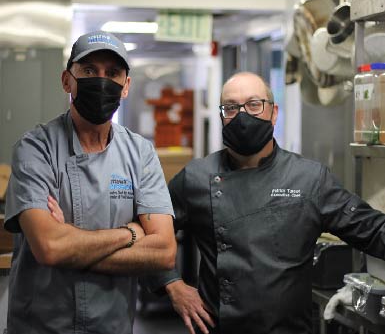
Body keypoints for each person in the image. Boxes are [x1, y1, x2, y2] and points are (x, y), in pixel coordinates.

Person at [147, 71, 385, 334]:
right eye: (231, 107)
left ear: (273, 112)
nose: (242, 115)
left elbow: (371, 229)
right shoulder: (196, 177)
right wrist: (172, 284)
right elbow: (149, 234)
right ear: (222, 116)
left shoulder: (308, 178)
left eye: (253, 104)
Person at [4, 30, 176, 334]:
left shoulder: (140, 153)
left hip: (112, 325)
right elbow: (50, 248)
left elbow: (163, 251)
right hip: (41, 326)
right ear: (67, 80)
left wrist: (72, 244)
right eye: (88, 70)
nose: (101, 80)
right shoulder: (36, 148)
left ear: (125, 87)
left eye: (112, 73)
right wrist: (131, 233)